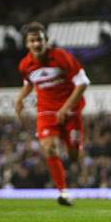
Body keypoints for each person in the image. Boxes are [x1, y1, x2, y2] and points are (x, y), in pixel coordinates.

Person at [14, 22, 90, 206]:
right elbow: (30, 82)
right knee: (48, 147)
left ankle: (72, 152)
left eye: (39, 40)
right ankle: (63, 192)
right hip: (46, 112)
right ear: (27, 44)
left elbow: (83, 82)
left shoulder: (61, 57)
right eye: (32, 41)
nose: (36, 44)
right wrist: (20, 99)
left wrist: (65, 108)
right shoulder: (25, 65)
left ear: (46, 41)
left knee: (73, 155)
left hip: (71, 111)